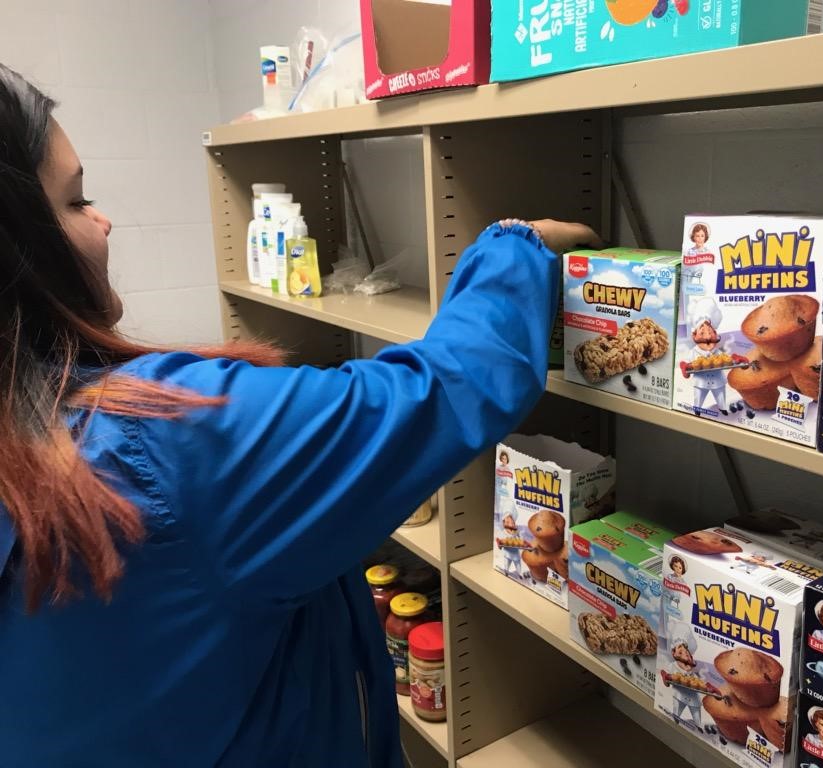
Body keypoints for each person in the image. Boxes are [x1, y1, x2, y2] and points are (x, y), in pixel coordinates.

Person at [0, 63, 600, 767]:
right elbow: (446, 388)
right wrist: (513, 244)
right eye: (76, 202)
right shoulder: (158, 448)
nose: (103, 219)